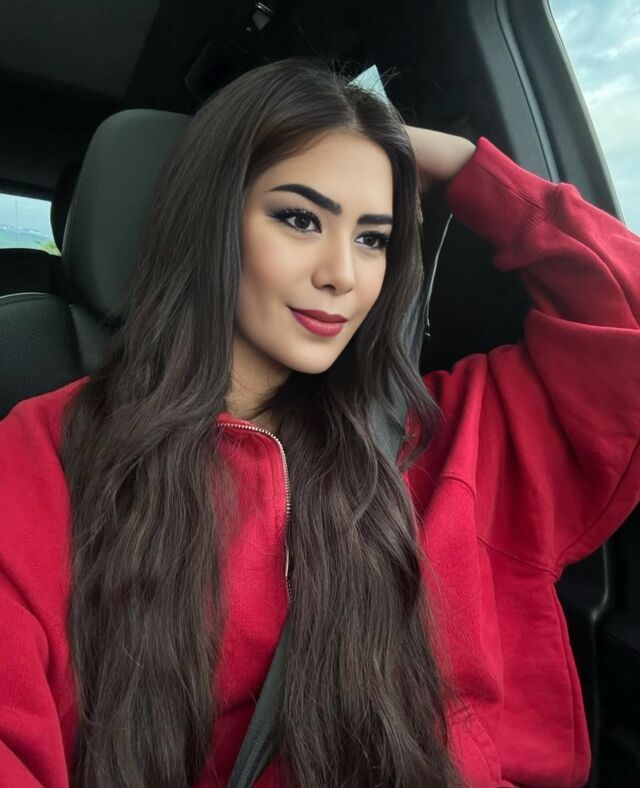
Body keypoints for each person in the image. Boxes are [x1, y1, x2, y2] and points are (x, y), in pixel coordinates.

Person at [0, 57, 638, 788]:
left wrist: (463, 165)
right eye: (300, 219)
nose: (343, 274)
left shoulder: (442, 435)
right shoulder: (47, 458)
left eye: (373, 237)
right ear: (211, 218)